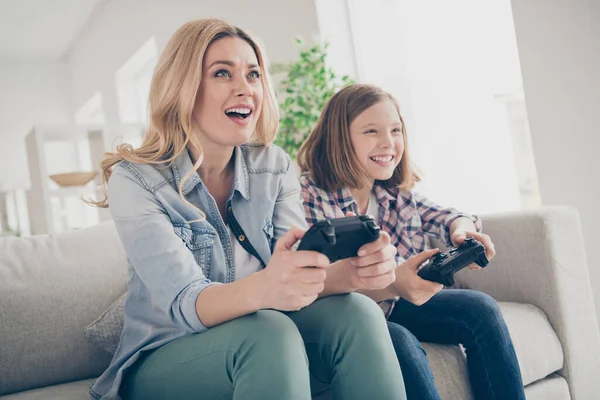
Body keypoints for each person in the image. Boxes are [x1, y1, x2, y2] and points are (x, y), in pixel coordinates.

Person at [87, 20, 406, 400]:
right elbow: (188, 303)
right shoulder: (135, 180)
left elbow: (295, 280)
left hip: (262, 332)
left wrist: (352, 274)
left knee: (358, 313)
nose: (245, 88)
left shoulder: (274, 167)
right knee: (270, 332)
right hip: (166, 354)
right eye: (222, 73)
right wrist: (268, 286)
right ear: (183, 87)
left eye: (253, 74)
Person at [297, 83, 526, 400]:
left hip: (393, 303)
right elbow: (315, 284)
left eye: (395, 130)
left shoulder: (392, 195)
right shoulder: (308, 196)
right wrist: (393, 283)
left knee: (482, 309)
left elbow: (449, 217)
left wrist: (462, 231)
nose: (388, 142)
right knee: (400, 343)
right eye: (371, 131)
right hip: (349, 318)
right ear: (340, 139)